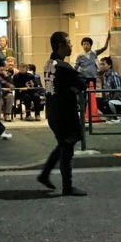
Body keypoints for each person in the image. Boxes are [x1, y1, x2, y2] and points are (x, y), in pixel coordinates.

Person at [38, 31, 88, 197]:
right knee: (67, 148)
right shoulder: (62, 66)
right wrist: (74, 86)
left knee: (63, 145)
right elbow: (82, 81)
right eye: (68, 42)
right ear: (60, 45)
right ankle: (67, 185)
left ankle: (45, 174)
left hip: (53, 111)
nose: (71, 45)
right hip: (65, 112)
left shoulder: (49, 64)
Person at [98, 57, 121, 121]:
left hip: (119, 100)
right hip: (108, 99)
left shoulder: (114, 76)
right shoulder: (104, 75)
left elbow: (118, 91)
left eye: (103, 64)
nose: (101, 66)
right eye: (100, 64)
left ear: (109, 65)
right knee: (98, 102)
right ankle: (109, 115)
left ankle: (118, 116)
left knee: (110, 103)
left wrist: (110, 100)